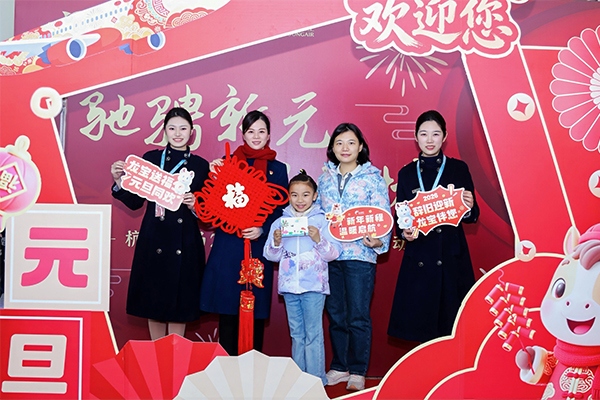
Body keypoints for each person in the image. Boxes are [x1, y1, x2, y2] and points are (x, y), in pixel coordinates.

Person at [110, 107, 210, 340]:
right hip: (154, 237)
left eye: (183, 128)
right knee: (153, 302)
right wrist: (118, 181)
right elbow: (135, 202)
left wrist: (195, 204)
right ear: (164, 131)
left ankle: (175, 358)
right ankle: (156, 356)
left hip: (184, 241)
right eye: (172, 128)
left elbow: (208, 212)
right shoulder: (151, 160)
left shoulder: (200, 165)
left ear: (192, 132)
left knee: (179, 305)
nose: (178, 133)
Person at [200, 110, 288, 355]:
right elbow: (212, 204)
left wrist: (263, 229)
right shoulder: (227, 163)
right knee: (228, 308)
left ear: (269, 135)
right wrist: (212, 175)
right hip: (229, 245)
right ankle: (227, 366)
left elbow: (282, 210)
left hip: (258, 246)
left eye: (261, 131)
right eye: (251, 131)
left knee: (255, 309)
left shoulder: (278, 169)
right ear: (243, 134)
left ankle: (252, 368)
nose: (256, 136)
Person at [387, 109, 479, 343]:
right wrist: (404, 232)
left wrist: (469, 206)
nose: (430, 140)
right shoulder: (407, 173)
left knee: (452, 329)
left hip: (450, 256)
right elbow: (401, 217)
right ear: (415, 137)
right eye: (424, 134)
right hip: (419, 256)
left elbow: (472, 216)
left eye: (436, 134)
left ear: (444, 137)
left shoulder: (458, 169)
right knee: (420, 331)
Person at [317, 123, 391, 391]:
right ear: (332, 148)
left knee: (358, 315)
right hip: (331, 255)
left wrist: (379, 241)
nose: (345, 148)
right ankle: (340, 366)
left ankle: (358, 370)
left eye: (350, 142)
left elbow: (383, 214)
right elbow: (318, 214)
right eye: (339, 143)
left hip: (360, 255)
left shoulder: (372, 178)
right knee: (336, 314)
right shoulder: (324, 178)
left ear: (360, 147)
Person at [263, 170, 342, 385]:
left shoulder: (323, 221)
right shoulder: (280, 223)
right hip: (289, 287)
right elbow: (270, 256)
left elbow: (333, 253)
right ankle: (297, 381)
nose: (300, 200)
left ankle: (316, 381)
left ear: (315, 196)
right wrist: (276, 242)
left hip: (314, 286)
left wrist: (318, 239)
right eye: (294, 194)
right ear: (288, 196)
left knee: (313, 334)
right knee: (297, 334)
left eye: (306, 194)